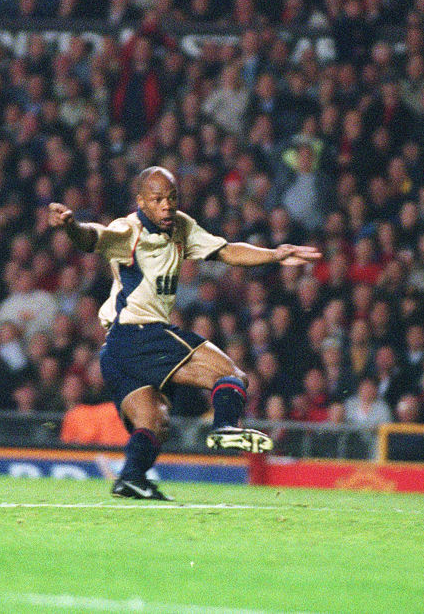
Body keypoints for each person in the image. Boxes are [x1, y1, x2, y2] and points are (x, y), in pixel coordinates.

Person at [48, 166, 319, 500]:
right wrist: (72, 226)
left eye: (171, 198)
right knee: (232, 375)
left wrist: (275, 254)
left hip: (117, 350)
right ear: (141, 202)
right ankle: (225, 427)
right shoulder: (128, 231)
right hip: (139, 333)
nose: (166, 205)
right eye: (157, 199)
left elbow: (226, 251)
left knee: (155, 420)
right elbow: (93, 237)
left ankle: (130, 478)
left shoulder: (182, 226)